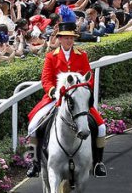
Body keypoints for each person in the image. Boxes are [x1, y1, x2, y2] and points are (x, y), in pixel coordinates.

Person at [25, 22, 106, 178]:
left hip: (77, 100)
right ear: (59, 39)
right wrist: (53, 91)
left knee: (101, 127)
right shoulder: (51, 56)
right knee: (33, 126)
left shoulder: (82, 55)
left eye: (71, 38)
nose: (69, 41)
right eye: (66, 38)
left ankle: (98, 162)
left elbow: (89, 77)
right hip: (55, 98)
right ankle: (34, 162)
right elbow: (46, 79)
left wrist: (82, 91)